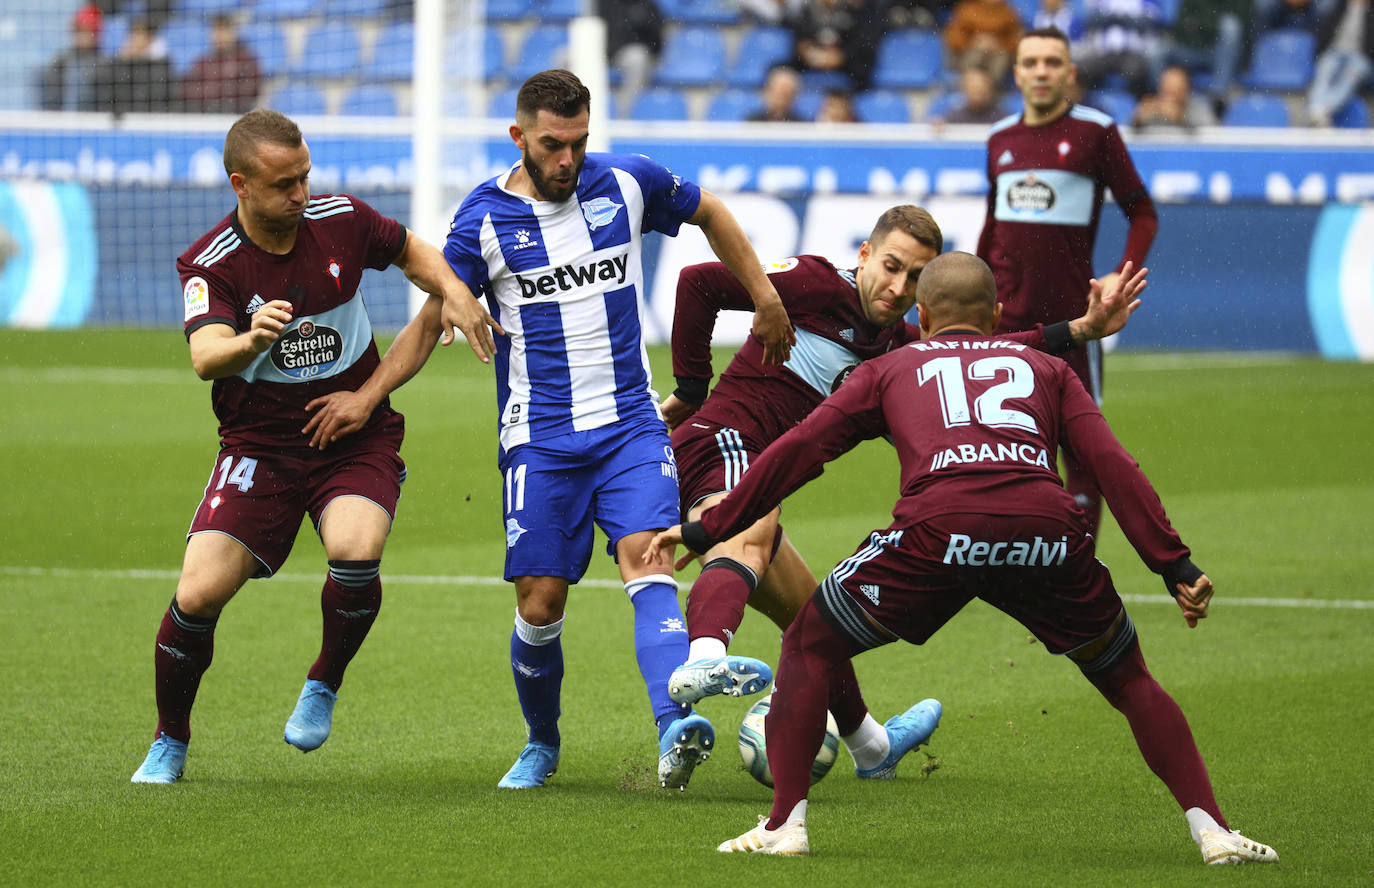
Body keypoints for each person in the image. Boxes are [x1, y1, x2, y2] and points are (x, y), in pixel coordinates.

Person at [648, 252, 1278, 867]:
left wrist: (710, 528)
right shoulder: (1046, 368)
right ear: (997, 311)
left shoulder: (895, 364)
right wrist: (1175, 565)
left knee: (810, 644)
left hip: (939, 532)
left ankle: (786, 826)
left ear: (921, 312)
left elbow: (798, 448)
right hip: (1046, 533)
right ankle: (1214, 830)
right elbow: (1113, 465)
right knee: (1130, 678)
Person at [657, 206, 1141, 784]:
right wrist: (690, 384)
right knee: (750, 533)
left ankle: (870, 747)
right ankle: (704, 657)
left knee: (812, 620)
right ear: (863, 254)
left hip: (754, 470)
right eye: (890, 266)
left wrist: (1080, 331)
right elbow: (697, 281)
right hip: (721, 444)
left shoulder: (894, 342)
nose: (897, 287)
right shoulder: (813, 282)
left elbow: (990, 347)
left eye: (915, 278)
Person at [440, 69, 795, 792]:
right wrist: (377, 388)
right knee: (540, 602)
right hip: (538, 437)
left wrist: (764, 295)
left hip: (631, 423)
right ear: (519, 137)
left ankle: (674, 729)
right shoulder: (480, 220)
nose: (567, 159)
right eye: (551, 145)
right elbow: (434, 302)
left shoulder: (628, 183)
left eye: (578, 142)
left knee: (650, 557)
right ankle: (542, 742)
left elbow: (711, 213)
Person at [129, 109, 500, 784]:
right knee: (199, 593)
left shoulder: (340, 217)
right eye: (283, 184)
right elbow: (205, 357)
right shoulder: (210, 262)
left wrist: (452, 290)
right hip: (261, 444)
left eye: (305, 176)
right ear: (240, 184)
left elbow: (413, 250)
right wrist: (250, 341)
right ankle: (170, 737)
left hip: (355, 434)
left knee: (355, 550)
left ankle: (324, 680)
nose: (301, 194)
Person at [978, 26, 1158, 542]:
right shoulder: (999, 139)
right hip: (1008, 324)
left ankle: (1079, 570)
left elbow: (1142, 213)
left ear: (1070, 74)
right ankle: (1021, 563)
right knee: (1007, 449)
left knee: (1084, 453)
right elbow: (993, 229)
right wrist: (971, 293)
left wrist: (1120, 278)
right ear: (1015, 74)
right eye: (1030, 62)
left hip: (1077, 323)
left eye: (1052, 62)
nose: (1041, 72)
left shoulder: (1095, 132)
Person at [1154, 0, 1251, 115]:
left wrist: (1203, 24)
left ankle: (1218, 96)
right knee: (1155, 52)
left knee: (1230, 26)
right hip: (1189, 47)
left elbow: (1244, 18)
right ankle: (1161, 99)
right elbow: (1182, 25)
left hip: (1215, 53)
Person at [1074, 0, 1168, 97]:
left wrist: (1125, 19)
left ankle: (1138, 107)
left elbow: (1153, 20)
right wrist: (1111, 18)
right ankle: (1080, 105)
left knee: (1138, 72)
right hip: (1102, 54)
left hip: (1133, 54)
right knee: (1082, 69)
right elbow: (1088, 18)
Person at [788, 0, 885, 91]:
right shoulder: (805, 12)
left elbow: (859, 43)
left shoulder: (852, 13)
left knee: (862, 68)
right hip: (810, 66)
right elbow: (799, 42)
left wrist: (841, 56)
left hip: (846, 68)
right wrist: (809, 54)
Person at [1305, 0, 1374, 126]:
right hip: (1335, 52)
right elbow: (1324, 33)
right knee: (1324, 70)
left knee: (1350, 76)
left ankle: (1321, 110)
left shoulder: (1370, 13)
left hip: (1360, 57)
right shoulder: (1338, 8)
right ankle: (1318, 111)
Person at [178, 13, 261, 114]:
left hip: (233, 113)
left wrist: (217, 92)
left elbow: (250, 91)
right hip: (203, 113)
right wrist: (213, 92)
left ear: (233, 32)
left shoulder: (246, 60)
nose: (220, 36)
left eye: (224, 30)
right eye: (217, 30)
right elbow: (186, 90)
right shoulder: (203, 61)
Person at [91, 16, 175, 114]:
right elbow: (102, 86)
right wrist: (122, 61)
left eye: (139, 34)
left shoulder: (162, 65)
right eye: (132, 34)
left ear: (151, 38)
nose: (134, 39)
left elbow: (153, 96)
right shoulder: (120, 62)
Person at [597, 0, 662, 119]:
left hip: (626, 54)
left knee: (637, 58)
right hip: (598, 51)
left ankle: (624, 115)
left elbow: (656, 43)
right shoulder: (600, 4)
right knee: (564, 58)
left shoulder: (647, 5)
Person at [39, 3, 103, 111]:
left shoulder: (104, 63)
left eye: (86, 31)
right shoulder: (60, 61)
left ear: (96, 35)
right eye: (78, 31)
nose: (80, 36)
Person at [943, 0, 1025, 83]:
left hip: (998, 54)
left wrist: (999, 44)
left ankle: (990, 87)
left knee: (1001, 59)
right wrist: (974, 42)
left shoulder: (1009, 12)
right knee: (975, 57)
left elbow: (1016, 38)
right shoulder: (967, 9)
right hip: (971, 52)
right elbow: (953, 36)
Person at [1133, 63, 1219, 128]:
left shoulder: (1199, 109)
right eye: (1167, 89)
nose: (1170, 97)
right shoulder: (1151, 107)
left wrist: (1181, 118)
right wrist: (1138, 120)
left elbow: (1213, 133)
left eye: (1176, 90)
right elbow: (1127, 134)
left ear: (1186, 90)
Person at [933, 65, 1007, 124]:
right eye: (973, 89)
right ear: (965, 90)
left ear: (990, 90)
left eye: (981, 90)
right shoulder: (954, 116)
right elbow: (940, 124)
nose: (977, 95)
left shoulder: (1001, 118)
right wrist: (939, 124)